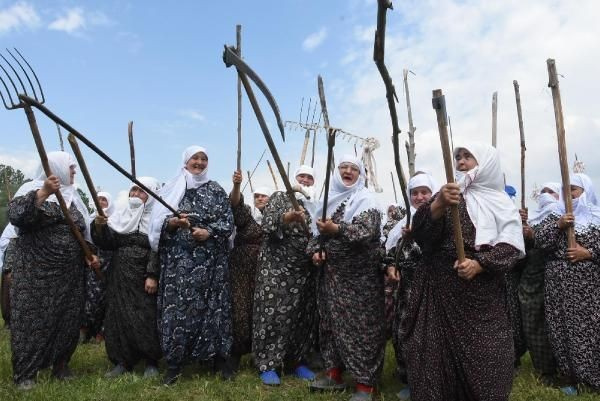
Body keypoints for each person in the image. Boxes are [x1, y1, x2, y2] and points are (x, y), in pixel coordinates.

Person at [403, 144, 524, 401]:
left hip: (482, 296)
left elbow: (512, 246)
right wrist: (438, 205)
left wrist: (480, 264)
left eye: (468, 156)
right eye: (457, 156)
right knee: (433, 356)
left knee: (488, 357)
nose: (460, 161)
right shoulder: (447, 194)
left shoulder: (501, 202)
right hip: (438, 291)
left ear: (486, 163)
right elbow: (421, 234)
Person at [7, 151, 99, 390]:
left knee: (67, 319)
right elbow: (17, 216)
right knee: (32, 320)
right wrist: (44, 193)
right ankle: (26, 373)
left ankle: (60, 365)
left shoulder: (73, 197)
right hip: (36, 272)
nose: (74, 171)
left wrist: (90, 253)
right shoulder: (32, 190)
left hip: (70, 274)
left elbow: (82, 233)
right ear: (56, 168)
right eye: (70, 167)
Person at [148, 145, 234, 385]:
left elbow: (228, 223)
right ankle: (174, 365)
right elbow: (156, 226)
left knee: (215, 309)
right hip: (179, 265)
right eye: (195, 158)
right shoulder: (172, 188)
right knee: (177, 312)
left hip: (211, 264)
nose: (199, 162)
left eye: (204, 158)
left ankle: (219, 360)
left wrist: (208, 232)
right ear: (185, 161)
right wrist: (174, 223)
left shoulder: (216, 190)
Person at [308, 155, 385, 401]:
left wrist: (337, 229)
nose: (348, 171)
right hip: (331, 278)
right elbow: (314, 237)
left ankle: (366, 385)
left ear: (361, 175)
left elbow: (366, 231)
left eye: (354, 168)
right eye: (343, 167)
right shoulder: (327, 202)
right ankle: (334, 373)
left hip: (360, 279)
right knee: (330, 325)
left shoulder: (366, 199)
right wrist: (316, 252)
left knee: (362, 327)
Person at [252, 165, 317, 386]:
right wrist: (287, 217)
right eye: (302, 176)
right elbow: (268, 224)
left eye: (310, 177)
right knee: (272, 315)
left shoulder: (316, 205)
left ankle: (297, 361)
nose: (305, 180)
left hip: (304, 269)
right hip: (275, 267)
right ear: (294, 179)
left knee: (301, 316)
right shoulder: (280, 197)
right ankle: (267, 365)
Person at [535, 173, 600, 395]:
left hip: (587, 286)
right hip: (557, 283)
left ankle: (592, 378)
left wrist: (588, 253)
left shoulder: (597, 218)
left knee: (588, 329)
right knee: (560, 328)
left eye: (574, 189)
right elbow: (540, 243)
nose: (569, 195)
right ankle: (570, 377)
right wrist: (558, 226)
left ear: (585, 191)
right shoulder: (554, 216)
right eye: (565, 191)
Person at [92, 178, 163, 379]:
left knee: (146, 317)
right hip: (120, 275)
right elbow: (108, 242)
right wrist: (99, 227)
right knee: (118, 316)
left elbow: (158, 248)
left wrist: (152, 274)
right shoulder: (121, 216)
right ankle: (122, 361)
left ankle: (151, 361)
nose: (136, 194)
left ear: (151, 195)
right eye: (133, 190)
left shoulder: (156, 219)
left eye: (141, 191)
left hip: (144, 276)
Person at [384, 171, 437, 400]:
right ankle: (407, 377)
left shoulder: (439, 218)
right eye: (414, 193)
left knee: (426, 335)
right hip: (405, 289)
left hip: (430, 288)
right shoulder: (401, 224)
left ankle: (426, 382)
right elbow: (389, 251)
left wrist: (418, 234)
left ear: (432, 194)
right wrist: (390, 266)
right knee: (403, 331)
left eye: (424, 192)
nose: (419, 197)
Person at [228, 171, 271, 371]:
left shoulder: (277, 218)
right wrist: (237, 186)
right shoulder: (247, 215)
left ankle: (260, 354)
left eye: (264, 195)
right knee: (240, 308)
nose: (260, 198)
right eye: (257, 196)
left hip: (266, 269)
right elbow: (235, 204)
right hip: (242, 268)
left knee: (262, 309)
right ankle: (234, 354)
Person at [519, 183, 561, 384]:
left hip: (558, 278)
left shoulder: (567, 217)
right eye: (542, 192)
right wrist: (523, 229)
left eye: (550, 192)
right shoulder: (533, 220)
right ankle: (545, 368)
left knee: (558, 321)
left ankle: (566, 367)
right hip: (532, 279)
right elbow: (522, 249)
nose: (546, 195)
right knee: (533, 321)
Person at [80, 191, 115, 343]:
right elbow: (84, 242)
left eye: (104, 200)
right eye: (98, 199)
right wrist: (89, 257)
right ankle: (84, 330)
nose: (101, 202)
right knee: (90, 298)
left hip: (111, 265)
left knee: (107, 299)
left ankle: (101, 334)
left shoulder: (116, 220)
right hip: (92, 265)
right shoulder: (88, 220)